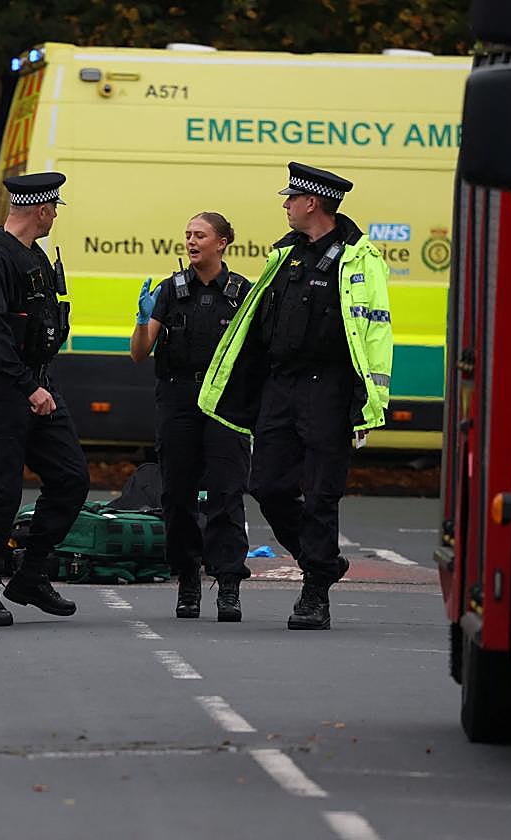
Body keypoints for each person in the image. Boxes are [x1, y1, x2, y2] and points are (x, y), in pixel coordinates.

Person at [199, 162, 394, 630]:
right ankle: (320, 559)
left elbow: (375, 334)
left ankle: (315, 596)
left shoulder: (360, 261)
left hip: (328, 389)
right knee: (267, 485)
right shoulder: (284, 256)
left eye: (291, 198)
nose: (285, 204)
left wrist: (370, 403)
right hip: (281, 387)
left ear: (312, 203)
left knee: (323, 494)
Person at [0, 171, 90, 627]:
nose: (55, 215)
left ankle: (31, 573)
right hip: (2, 384)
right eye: (53, 208)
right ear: (41, 210)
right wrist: (28, 387)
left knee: (72, 478)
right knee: (0, 490)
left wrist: (39, 384)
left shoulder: (34, 256)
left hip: (36, 380)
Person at [129, 212, 252, 621]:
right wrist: (143, 320)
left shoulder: (241, 294)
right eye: (187, 235)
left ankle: (229, 583)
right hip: (178, 398)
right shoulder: (171, 290)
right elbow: (139, 352)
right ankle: (187, 580)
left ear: (222, 242)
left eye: (200, 235)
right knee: (177, 496)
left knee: (226, 493)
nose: (191, 241)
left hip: (224, 402)